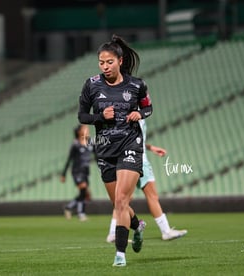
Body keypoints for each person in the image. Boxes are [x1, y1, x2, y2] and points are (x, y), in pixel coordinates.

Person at [78, 34, 153, 267]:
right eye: (101, 62)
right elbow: (82, 115)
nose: (105, 66)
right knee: (119, 204)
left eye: (109, 62)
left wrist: (139, 114)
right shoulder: (92, 85)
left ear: (120, 60)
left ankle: (120, 254)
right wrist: (100, 116)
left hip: (130, 145)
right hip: (105, 150)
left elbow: (148, 107)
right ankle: (137, 225)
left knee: (121, 199)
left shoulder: (137, 85)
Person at [106, 119, 188, 242]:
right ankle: (166, 231)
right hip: (139, 160)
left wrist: (150, 147)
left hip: (130, 159)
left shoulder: (134, 112)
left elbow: (134, 138)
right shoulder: (133, 112)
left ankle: (113, 233)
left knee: (123, 199)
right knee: (150, 195)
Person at [60, 124, 92, 222]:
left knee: (86, 195)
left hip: (86, 172)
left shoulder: (90, 143)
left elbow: (98, 155)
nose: (87, 129)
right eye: (84, 128)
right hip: (77, 171)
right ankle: (81, 213)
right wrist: (63, 174)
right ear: (79, 132)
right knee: (83, 191)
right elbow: (69, 159)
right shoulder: (75, 144)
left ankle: (69, 207)